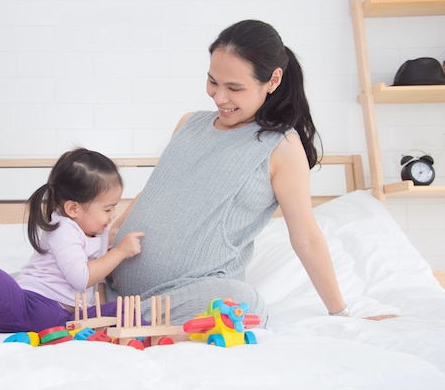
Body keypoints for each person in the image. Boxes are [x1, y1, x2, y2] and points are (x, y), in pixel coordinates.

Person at [107, 19, 350, 326]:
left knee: (247, 305)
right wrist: (111, 233)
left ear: (273, 80)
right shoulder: (189, 123)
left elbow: (306, 239)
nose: (220, 97)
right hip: (116, 281)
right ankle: (116, 315)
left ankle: (112, 319)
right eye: (213, 82)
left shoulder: (282, 148)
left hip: (192, 291)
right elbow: (157, 191)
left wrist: (341, 312)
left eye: (234, 88)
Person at [0, 148, 145, 334]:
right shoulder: (64, 229)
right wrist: (119, 252)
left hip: (66, 321)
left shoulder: (97, 232)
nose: (111, 215)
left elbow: (97, 283)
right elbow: (81, 278)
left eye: (114, 208)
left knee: (122, 308)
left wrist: (101, 316)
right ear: (73, 209)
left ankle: (161, 336)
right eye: (107, 209)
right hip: (31, 308)